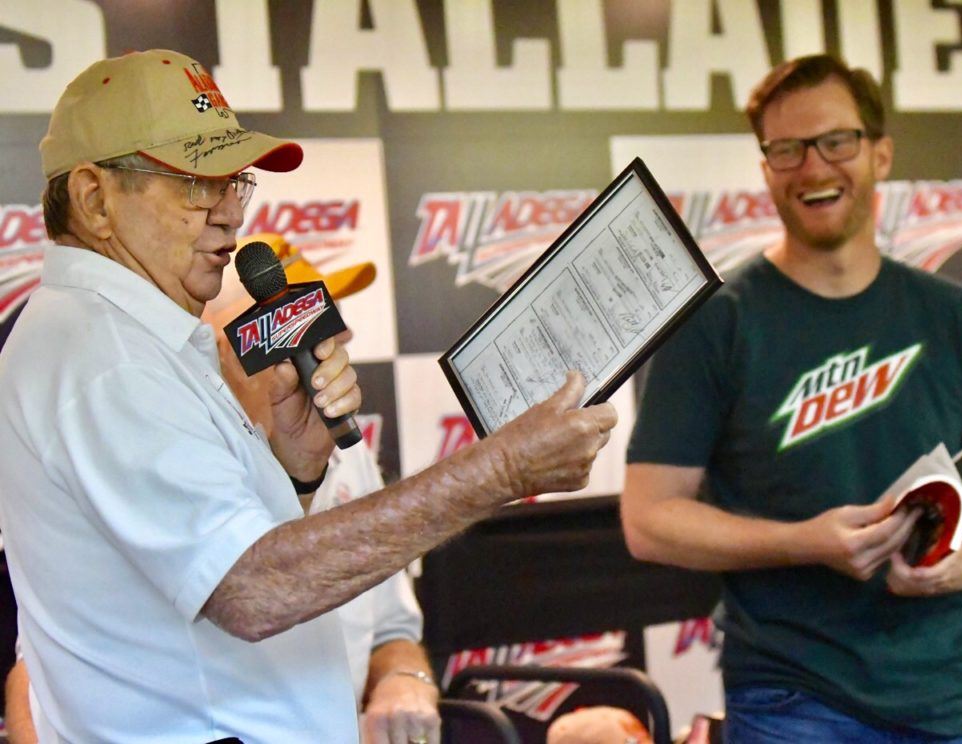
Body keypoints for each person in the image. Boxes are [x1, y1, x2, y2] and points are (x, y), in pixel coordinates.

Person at [0, 49, 617, 743]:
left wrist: (297, 473)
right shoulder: (102, 357)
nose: (231, 214)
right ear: (93, 199)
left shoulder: (131, 338)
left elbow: (200, 573)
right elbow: (250, 591)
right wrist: (502, 470)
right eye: (197, 184)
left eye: (236, 183)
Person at [621, 53, 962, 743]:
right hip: (792, 701)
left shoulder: (956, 316)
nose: (812, 168)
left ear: (881, 153)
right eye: (787, 150)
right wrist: (803, 543)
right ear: (766, 168)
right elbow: (649, 519)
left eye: (836, 142)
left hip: (949, 696)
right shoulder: (715, 323)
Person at [3, 237, 442, 744]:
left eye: (325, 311)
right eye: (295, 325)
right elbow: (39, 667)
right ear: (217, 348)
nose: (339, 332)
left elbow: (391, 628)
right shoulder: (153, 441)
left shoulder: (348, 451)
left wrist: (404, 681)